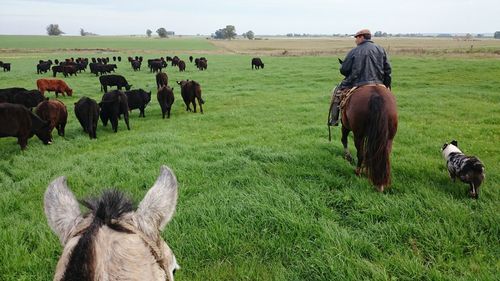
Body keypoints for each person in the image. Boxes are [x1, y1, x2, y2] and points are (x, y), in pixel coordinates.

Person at [328, 29, 392, 126]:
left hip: (358, 82)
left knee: (336, 92)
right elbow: (388, 69)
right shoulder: (381, 49)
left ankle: (334, 120)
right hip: (379, 82)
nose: (355, 40)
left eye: (356, 38)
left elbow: (344, 70)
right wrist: (387, 85)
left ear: (362, 37)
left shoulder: (354, 51)